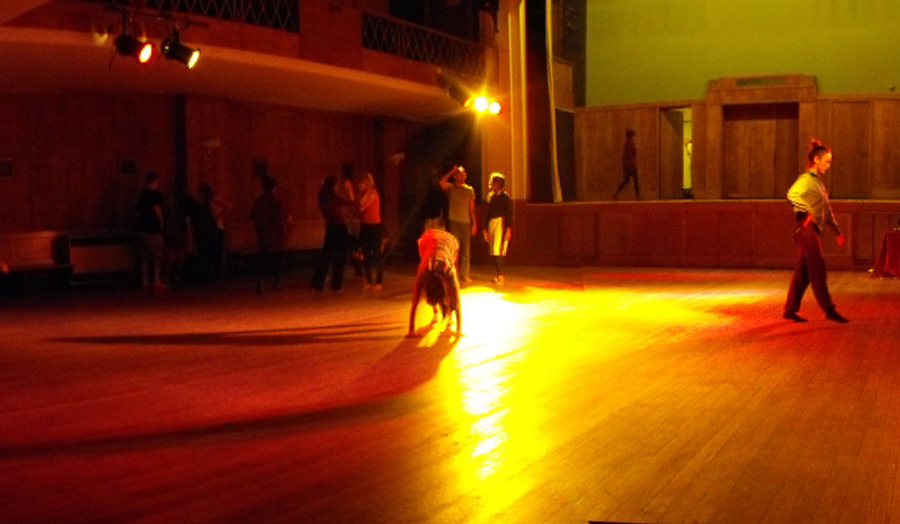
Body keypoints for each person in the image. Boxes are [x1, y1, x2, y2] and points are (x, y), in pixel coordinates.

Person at [783, 139, 849, 323]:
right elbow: (792, 194)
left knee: (804, 271)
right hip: (804, 227)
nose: (828, 166)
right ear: (817, 160)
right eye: (827, 162)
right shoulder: (806, 179)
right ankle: (829, 309)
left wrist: (836, 231)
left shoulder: (817, 183)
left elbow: (826, 209)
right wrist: (808, 210)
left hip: (812, 228)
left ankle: (789, 310)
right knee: (817, 265)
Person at [407, 228, 461, 337]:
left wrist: (458, 330)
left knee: (452, 289)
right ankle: (437, 312)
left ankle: (448, 314)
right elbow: (415, 300)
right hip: (427, 239)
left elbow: (457, 300)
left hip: (451, 242)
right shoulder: (424, 270)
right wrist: (411, 330)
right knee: (441, 285)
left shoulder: (449, 270)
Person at [310, 175, 355, 292]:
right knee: (339, 257)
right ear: (334, 186)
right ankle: (337, 285)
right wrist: (350, 189)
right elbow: (352, 203)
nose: (338, 187)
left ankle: (316, 285)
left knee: (325, 256)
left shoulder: (322, 196)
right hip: (340, 227)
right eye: (337, 184)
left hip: (330, 227)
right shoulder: (334, 198)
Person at [249, 175, 287, 293]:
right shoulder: (275, 200)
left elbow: (252, 215)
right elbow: (278, 218)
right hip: (274, 234)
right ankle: (277, 282)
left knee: (263, 258)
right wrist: (282, 232)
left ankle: (259, 280)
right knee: (278, 257)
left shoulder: (259, 200)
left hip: (262, 233)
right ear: (274, 186)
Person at [439, 164, 476, 283]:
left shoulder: (469, 190)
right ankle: (452, 272)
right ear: (455, 177)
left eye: (463, 174)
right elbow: (441, 182)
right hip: (454, 221)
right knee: (454, 249)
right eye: (459, 175)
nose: (461, 176)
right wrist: (451, 171)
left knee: (466, 250)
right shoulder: (451, 188)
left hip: (465, 222)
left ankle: (465, 274)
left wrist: (474, 223)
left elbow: (471, 208)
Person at [136, 172, 167, 289]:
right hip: (152, 229)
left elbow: (137, 211)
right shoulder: (155, 195)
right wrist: (161, 221)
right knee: (157, 256)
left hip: (142, 229)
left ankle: (145, 280)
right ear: (154, 182)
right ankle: (156, 279)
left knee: (144, 256)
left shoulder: (142, 195)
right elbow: (157, 209)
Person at [483, 172, 513, 285]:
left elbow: (510, 214)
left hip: (501, 223)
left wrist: (509, 228)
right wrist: (485, 228)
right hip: (492, 223)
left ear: (499, 184)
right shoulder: (490, 196)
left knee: (498, 250)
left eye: (493, 183)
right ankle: (498, 275)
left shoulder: (505, 197)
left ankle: (500, 276)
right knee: (494, 251)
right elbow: (487, 213)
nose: (491, 185)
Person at [197, 183, 232, 281]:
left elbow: (228, 206)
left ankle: (217, 274)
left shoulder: (211, 201)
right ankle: (216, 274)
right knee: (216, 251)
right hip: (216, 227)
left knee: (216, 251)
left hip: (217, 227)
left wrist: (220, 216)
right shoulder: (207, 202)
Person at [357, 172, 384, 290]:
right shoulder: (363, 194)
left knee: (377, 254)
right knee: (366, 254)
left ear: (367, 183)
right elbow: (361, 204)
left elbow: (362, 206)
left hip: (375, 227)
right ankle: (368, 281)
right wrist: (366, 191)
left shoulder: (374, 193)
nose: (359, 186)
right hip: (365, 227)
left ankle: (378, 282)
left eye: (362, 184)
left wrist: (369, 189)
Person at [613, 128, 640, 200]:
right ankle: (637, 196)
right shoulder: (630, 143)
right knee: (635, 180)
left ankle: (616, 192)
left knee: (626, 180)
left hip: (627, 165)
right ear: (631, 136)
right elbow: (631, 153)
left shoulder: (627, 144)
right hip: (631, 165)